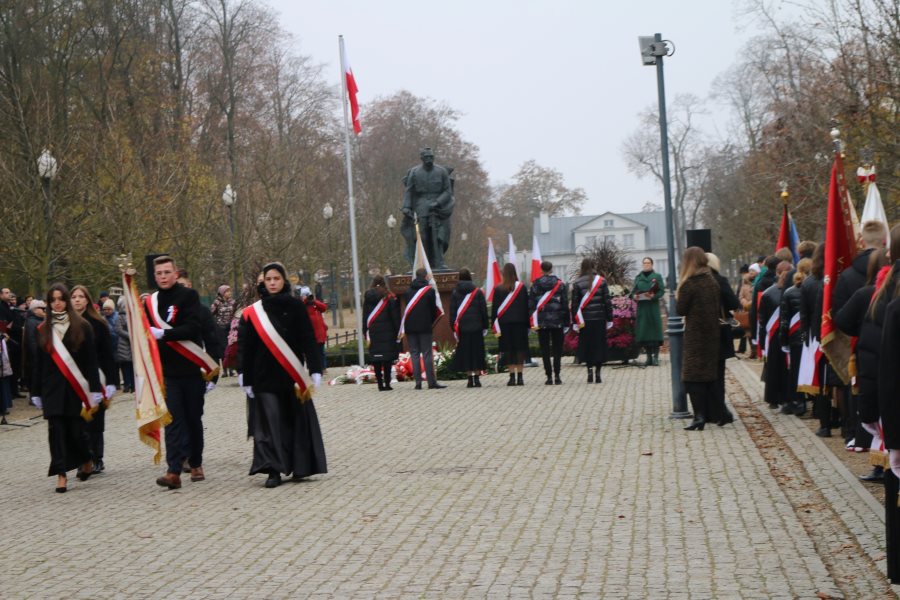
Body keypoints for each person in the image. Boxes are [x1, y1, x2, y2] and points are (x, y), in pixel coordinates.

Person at [238, 261, 325, 488]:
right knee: (269, 424)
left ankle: (300, 465)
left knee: (294, 420)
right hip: (263, 376)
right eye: (268, 279)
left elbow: (308, 337)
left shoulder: (296, 307)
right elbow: (245, 346)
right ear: (263, 282)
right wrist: (244, 375)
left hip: (291, 374)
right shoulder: (253, 312)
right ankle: (273, 470)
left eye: (276, 278)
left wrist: (315, 368)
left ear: (284, 281)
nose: (272, 282)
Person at [146, 256, 218, 489]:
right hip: (167, 372)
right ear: (155, 276)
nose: (164, 277)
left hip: (191, 369)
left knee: (193, 419)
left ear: (175, 274)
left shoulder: (189, 297)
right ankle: (173, 470)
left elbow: (192, 327)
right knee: (173, 421)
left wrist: (164, 335)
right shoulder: (151, 302)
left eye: (168, 272)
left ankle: (195, 462)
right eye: (159, 273)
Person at [31, 283, 102, 493]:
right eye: (53, 300)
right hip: (51, 389)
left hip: (75, 388)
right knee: (56, 431)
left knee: (76, 432)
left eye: (61, 299)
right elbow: (37, 363)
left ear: (67, 301)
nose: (57, 303)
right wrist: (35, 392)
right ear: (48, 303)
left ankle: (87, 457)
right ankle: (61, 474)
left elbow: (91, 360)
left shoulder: (83, 326)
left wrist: (95, 388)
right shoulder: (42, 329)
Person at [835, 247, 890, 480]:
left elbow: (841, 320)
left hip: (872, 359)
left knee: (877, 409)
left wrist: (862, 330)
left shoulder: (866, 293)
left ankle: (882, 465)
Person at [71, 285, 118, 474]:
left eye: (81, 296)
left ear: (87, 300)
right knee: (78, 421)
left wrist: (113, 381)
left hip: (97, 376)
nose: (77, 300)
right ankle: (83, 458)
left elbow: (108, 354)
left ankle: (97, 457)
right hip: (74, 377)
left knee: (95, 421)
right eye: (73, 296)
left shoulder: (98, 323)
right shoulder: (66, 323)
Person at [675, 247, 722, 431]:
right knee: (709, 376)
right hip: (712, 334)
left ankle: (699, 417)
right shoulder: (711, 281)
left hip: (695, 335)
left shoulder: (690, 284)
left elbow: (681, 310)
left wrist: (677, 296)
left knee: (692, 378)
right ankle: (720, 413)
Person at [400, 147, 454, 269]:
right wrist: (406, 207)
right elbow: (409, 191)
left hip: (438, 208)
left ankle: (439, 261)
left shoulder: (441, 172)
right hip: (421, 206)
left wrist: (437, 202)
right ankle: (422, 263)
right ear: (422, 158)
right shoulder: (414, 172)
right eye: (426, 157)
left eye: (431, 157)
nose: (429, 159)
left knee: (439, 235)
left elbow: (447, 191)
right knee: (421, 235)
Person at [707, 253, 740, 426]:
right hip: (719, 331)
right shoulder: (719, 280)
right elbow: (733, 303)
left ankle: (708, 411)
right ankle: (721, 411)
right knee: (718, 373)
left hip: (701, 333)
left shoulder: (695, 280)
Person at [400, 268, 446, 390]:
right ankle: (431, 382)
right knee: (427, 353)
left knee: (414, 354)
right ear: (426, 277)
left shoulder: (408, 291)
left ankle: (418, 383)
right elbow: (433, 310)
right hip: (425, 326)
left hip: (410, 327)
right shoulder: (429, 291)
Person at [570, 258, 612, 384]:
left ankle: (589, 371)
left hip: (584, 320)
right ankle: (598, 373)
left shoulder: (577, 283)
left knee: (588, 346)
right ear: (594, 266)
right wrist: (609, 318)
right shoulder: (602, 281)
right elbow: (607, 302)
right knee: (599, 345)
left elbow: (575, 304)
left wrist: (575, 321)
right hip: (599, 318)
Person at [780, 258, 813, 416]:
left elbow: (784, 321)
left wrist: (783, 340)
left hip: (795, 337)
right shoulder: (816, 287)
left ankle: (798, 402)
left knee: (796, 370)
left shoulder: (789, 292)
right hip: (812, 336)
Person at [529, 260, 569, 384]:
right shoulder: (560, 284)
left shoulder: (535, 284)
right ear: (551, 269)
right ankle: (557, 375)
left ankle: (548, 377)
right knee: (557, 350)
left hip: (542, 322)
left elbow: (531, 305)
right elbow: (564, 304)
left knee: (545, 350)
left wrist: (532, 322)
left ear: (541, 270)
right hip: (557, 321)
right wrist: (567, 322)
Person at [492, 263, 530, 386]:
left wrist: (494, 324)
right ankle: (520, 377)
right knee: (519, 349)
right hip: (520, 323)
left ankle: (512, 377)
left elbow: (494, 309)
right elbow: (526, 307)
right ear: (514, 273)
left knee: (508, 350)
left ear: (504, 273)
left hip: (504, 324)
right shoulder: (522, 288)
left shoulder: (498, 289)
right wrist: (528, 324)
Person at [450, 268, 489, 387]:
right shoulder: (477, 292)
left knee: (466, 353)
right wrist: (485, 326)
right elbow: (483, 310)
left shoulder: (455, 292)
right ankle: (477, 379)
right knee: (476, 352)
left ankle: (469, 379)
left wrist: (453, 328)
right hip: (476, 327)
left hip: (462, 328)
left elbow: (452, 312)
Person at [363, 276, 401, 391]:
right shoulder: (389, 297)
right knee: (387, 360)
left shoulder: (368, 297)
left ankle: (380, 384)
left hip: (374, 331)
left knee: (377, 359)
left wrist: (365, 331)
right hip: (388, 332)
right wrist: (397, 331)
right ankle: (388, 384)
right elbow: (395, 317)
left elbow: (365, 316)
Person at [630, 257, 665, 366]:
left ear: (652, 264)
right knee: (644, 333)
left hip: (653, 308)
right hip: (642, 308)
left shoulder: (657, 276)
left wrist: (654, 296)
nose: (646, 265)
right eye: (644, 263)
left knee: (655, 332)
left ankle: (655, 357)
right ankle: (648, 357)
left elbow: (662, 291)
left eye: (648, 263)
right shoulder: (638, 277)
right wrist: (634, 296)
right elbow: (632, 292)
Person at [299, 286, 328, 373]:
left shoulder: (315, 304)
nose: (307, 297)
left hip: (319, 333)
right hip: (309, 334)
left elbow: (324, 308)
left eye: (308, 295)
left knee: (321, 352)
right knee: (310, 353)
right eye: (305, 295)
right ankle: (313, 368)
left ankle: (323, 367)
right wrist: (305, 301)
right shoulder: (302, 305)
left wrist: (314, 301)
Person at [210, 285, 236, 376]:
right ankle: (224, 370)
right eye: (227, 291)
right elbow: (211, 313)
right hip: (220, 328)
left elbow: (236, 313)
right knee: (222, 348)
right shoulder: (217, 302)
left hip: (231, 328)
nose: (229, 293)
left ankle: (231, 369)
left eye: (229, 291)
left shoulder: (233, 302)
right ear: (222, 293)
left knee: (231, 348)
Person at [114, 297, 134, 393]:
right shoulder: (119, 317)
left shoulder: (132, 315)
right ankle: (127, 385)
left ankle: (134, 385)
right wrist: (130, 335)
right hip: (123, 345)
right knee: (125, 366)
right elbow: (118, 330)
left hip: (133, 345)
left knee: (133, 366)